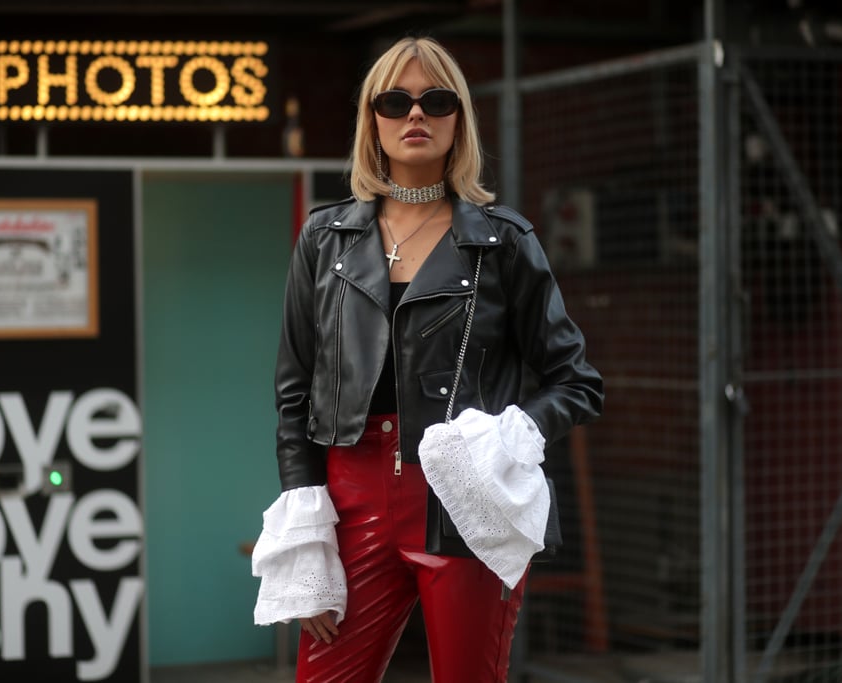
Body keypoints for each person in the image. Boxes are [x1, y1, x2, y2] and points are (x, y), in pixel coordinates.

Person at [251, 35, 603, 682]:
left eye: (435, 100)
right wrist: (306, 528)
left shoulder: (503, 243)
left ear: (458, 120)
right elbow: (295, 392)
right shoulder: (325, 240)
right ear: (373, 120)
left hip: (461, 499)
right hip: (351, 494)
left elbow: (575, 379)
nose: (415, 115)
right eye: (396, 100)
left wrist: (515, 431)